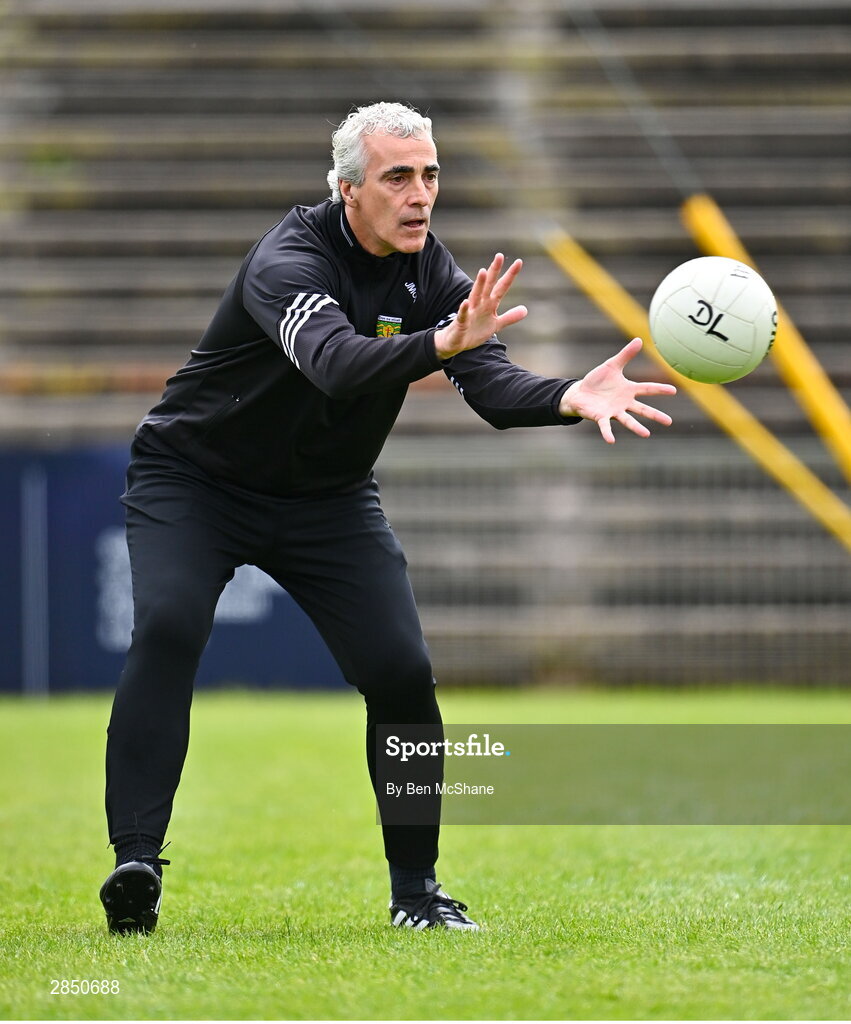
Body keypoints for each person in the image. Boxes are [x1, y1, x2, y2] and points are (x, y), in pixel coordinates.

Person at [99, 101, 676, 935]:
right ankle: (137, 862)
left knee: (401, 672)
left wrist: (565, 396)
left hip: (326, 498)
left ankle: (418, 895)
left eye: (430, 175)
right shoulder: (287, 259)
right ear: (347, 191)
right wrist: (439, 346)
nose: (419, 194)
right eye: (397, 177)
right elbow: (334, 365)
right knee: (168, 625)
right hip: (195, 481)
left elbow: (492, 388)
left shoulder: (430, 273)